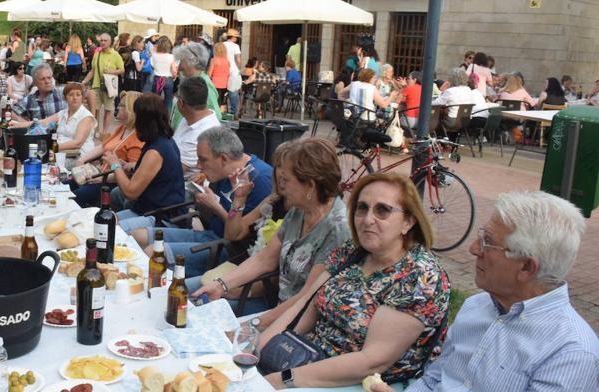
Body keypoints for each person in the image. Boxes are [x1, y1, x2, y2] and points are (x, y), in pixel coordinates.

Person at [372, 191, 599, 392]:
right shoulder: (477, 306)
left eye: (487, 242)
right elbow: (435, 380)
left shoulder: (570, 354)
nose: (473, 249)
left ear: (527, 267)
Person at [259, 172, 450, 389]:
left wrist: (284, 379)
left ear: (408, 222)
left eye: (382, 210)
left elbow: (371, 362)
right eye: (362, 208)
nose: (368, 219)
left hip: (366, 382)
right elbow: (305, 307)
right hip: (309, 357)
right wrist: (263, 347)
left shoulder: (419, 276)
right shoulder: (352, 251)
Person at [192, 138, 349, 318]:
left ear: (310, 186)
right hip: (276, 307)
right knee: (193, 304)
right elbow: (264, 258)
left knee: (197, 311)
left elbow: (307, 298)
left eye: (286, 180)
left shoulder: (337, 229)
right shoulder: (299, 210)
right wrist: (221, 284)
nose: (281, 186)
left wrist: (256, 324)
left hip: (296, 320)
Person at [125, 127, 274, 278]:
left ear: (223, 159)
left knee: (153, 252)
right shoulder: (227, 172)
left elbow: (239, 236)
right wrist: (204, 204)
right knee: (135, 236)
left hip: (229, 251)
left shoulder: (259, 180)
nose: (198, 165)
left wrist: (214, 207)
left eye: (203, 159)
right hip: (211, 235)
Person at [104, 93, 185, 218]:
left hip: (159, 214)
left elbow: (130, 192)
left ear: (143, 119)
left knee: (110, 226)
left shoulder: (156, 151)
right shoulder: (165, 140)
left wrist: (115, 165)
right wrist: (132, 166)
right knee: (115, 196)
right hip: (150, 205)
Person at [70, 91, 144, 206]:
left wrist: (101, 178)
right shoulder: (123, 128)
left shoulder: (138, 139)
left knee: (73, 198)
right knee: (66, 185)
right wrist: (82, 160)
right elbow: (102, 146)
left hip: (111, 182)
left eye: (121, 105)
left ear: (131, 110)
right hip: (99, 174)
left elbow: (130, 174)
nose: (117, 107)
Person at [171, 76, 222, 172]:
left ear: (181, 103)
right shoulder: (189, 117)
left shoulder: (203, 134)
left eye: (177, 97)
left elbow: (172, 170)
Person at [172, 42, 222, 128]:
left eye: (182, 61)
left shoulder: (203, 84)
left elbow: (216, 116)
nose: (179, 67)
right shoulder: (192, 81)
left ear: (193, 61)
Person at [82, 33, 124, 131]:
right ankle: (96, 131)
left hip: (109, 86)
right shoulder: (97, 54)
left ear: (110, 42)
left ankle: (104, 132)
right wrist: (84, 81)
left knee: (108, 110)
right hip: (96, 85)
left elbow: (122, 70)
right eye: (101, 40)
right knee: (95, 110)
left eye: (105, 41)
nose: (103, 42)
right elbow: (92, 71)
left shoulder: (115, 55)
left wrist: (111, 71)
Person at [52, 82, 97, 157]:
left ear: (82, 98)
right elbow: (43, 122)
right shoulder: (63, 113)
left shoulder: (86, 116)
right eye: (71, 95)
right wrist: (26, 123)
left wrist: (53, 148)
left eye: (78, 95)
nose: (75, 97)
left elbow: (77, 143)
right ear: (65, 98)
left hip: (77, 155)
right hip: (61, 151)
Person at [148, 35, 176, 108]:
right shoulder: (171, 56)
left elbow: (152, 66)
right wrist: (174, 77)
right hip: (168, 79)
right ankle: (167, 116)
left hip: (157, 78)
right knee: (168, 100)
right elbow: (174, 70)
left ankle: (155, 114)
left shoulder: (154, 56)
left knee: (155, 100)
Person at [224, 28, 243, 116]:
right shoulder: (236, 46)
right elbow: (238, 59)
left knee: (222, 92)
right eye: (236, 37)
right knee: (234, 92)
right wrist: (239, 69)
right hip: (233, 71)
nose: (237, 39)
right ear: (233, 37)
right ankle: (233, 112)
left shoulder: (222, 45)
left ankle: (222, 110)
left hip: (223, 70)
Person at [208, 41, 231, 110]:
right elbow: (228, 73)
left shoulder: (214, 60)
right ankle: (222, 115)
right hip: (225, 84)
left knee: (215, 101)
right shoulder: (227, 61)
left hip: (215, 84)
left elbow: (209, 73)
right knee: (223, 101)